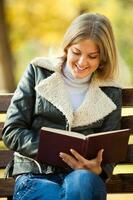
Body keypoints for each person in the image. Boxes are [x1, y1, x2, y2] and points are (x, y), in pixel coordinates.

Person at [2, 12, 122, 200]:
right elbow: (12, 131)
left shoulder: (111, 92)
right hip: (35, 174)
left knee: (81, 182)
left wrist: (98, 168)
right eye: (76, 52)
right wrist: (53, 151)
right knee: (52, 194)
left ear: (103, 59)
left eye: (92, 56)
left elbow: (110, 152)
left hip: (84, 179)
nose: (82, 62)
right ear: (67, 47)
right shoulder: (38, 72)